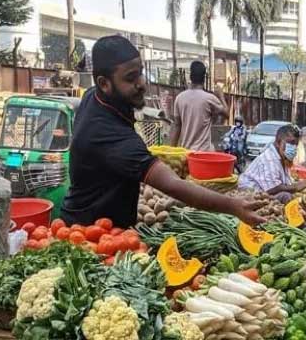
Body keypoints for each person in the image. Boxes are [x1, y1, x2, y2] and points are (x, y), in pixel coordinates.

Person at [62, 35, 265, 228]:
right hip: (90, 233)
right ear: (104, 83)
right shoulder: (112, 137)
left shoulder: (93, 97)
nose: (141, 83)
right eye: (131, 78)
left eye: (140, 72)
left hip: (95, 222)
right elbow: (174, 185)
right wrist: (233, 206)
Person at [238, 125, 306, 203]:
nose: (293, 148)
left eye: (296, 145)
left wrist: (298, 184)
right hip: (250, 194)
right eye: (290, 143)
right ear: (278, 143)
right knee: (285, 196)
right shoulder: (270, 159)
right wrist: (295, 187)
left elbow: (284, 182)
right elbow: (272, 188)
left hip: (264, 192)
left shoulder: (282, 157)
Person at [170, 61, 228, 151]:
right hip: (205, 155)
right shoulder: (209, 99)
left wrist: (171, 151)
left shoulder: (179, 98)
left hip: (187, 154)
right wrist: (221, 95)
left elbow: (177, 126)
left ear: (190, 76)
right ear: (204, 78)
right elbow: (227, 114)